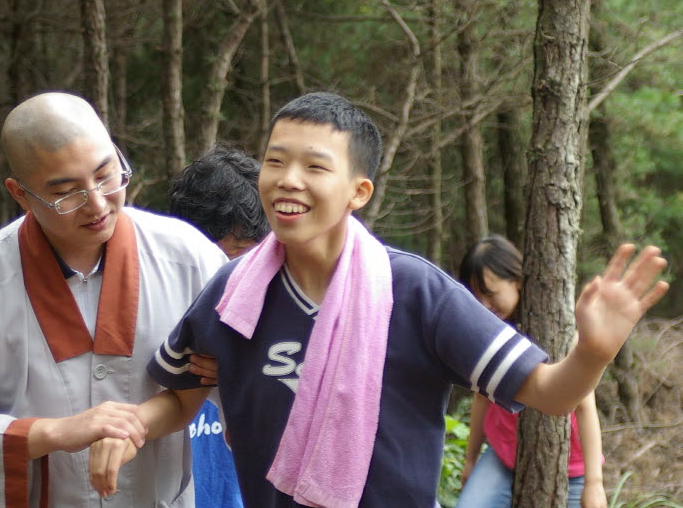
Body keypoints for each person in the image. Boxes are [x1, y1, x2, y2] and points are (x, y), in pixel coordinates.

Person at [87, 92, 668, 508]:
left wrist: (593, 352)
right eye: (275, 161)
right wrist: (132, 425)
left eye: (315, 166)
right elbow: (181, 399)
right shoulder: (233, 291)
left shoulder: (414, 292)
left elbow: (551, 393)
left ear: (358, 191)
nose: (288, 179)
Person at [0, 92, 228, 508]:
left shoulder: (189, 259)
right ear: (20, 193)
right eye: (67, 192)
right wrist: (53, 433)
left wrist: (230, 367)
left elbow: (256, 381)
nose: (97, 203)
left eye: (106, 175)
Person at [456, 235, 607, 508]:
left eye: (490, 293)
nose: (484, 305)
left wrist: (594, 483)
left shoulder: (560, 331)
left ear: (517, 280)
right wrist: (470, 460)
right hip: (502, 456)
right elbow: (481, 398)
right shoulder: (490, 332)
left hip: (570, 466)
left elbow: (585, 407)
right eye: (476, 296)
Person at [169, 144, 270, 508]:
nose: (232, 283)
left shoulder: (288, 329)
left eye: (250, 261)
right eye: (222, 262)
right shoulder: (157, 323)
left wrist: (248, 369)